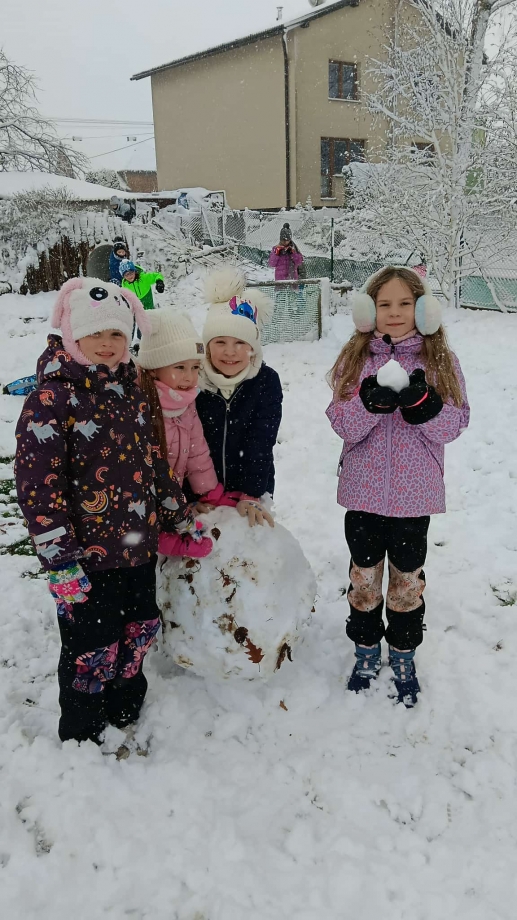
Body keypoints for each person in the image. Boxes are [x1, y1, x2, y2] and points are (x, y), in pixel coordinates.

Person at [15, 277, 205, 745]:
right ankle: (83, 731)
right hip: (84, 558)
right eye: (94, 333)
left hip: (137, 547)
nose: (106, 343)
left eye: (116, 333)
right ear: (71, 334)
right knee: (90, 644)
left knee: (138, 629)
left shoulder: (132, 391)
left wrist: (178, 515)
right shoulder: (51, 400)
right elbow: (39, 488)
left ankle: (125, 705)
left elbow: (153, 462)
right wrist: (59, 559)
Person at [326, 266, 469, 706]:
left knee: (407, 583)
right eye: (384, 303)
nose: (394, 312)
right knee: (364, 580)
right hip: (363, 496)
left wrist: (426, 407)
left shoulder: (439, 361)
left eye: (405, 303)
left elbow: (455, 424)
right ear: (368, 310)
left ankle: (403, 653)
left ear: (423, 309)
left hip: (414, 499)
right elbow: (341, 423)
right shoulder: (357, 360)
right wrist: (368, 406)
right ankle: (366, 649)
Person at [192, 267, 283, 528]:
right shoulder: (194, 379)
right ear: (207, 345)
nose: (230, 352)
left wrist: (252, 493)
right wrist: (190, 495)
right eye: (220, 342)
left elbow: (262, 440)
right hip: (202, 493)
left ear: (253, 348)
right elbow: (186, 443)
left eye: (240, 342)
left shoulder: (265, 381)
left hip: (251, 488)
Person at [137, 309, 225, 556]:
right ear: (154, 368)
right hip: (145, 496)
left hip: (173, 493)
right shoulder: (140, 404)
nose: (190, 377)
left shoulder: (186, 401)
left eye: (195, 367)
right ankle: (161, 539)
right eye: (180, 367)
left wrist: (209, 492)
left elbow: (197, 450)